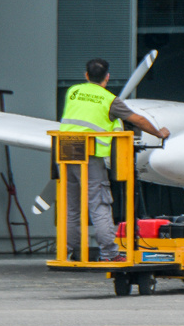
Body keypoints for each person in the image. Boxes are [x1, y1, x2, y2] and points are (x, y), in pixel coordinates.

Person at [60, 58, 170, 262]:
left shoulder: (72, 92)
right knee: (99, 203)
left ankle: (73, 251)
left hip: (66, 151)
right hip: (90, 154)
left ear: (86, 75)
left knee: (72, 206)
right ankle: (110, 253)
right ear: (107, 77)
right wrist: (158, 132)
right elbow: (136, 119)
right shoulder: (109, 99)